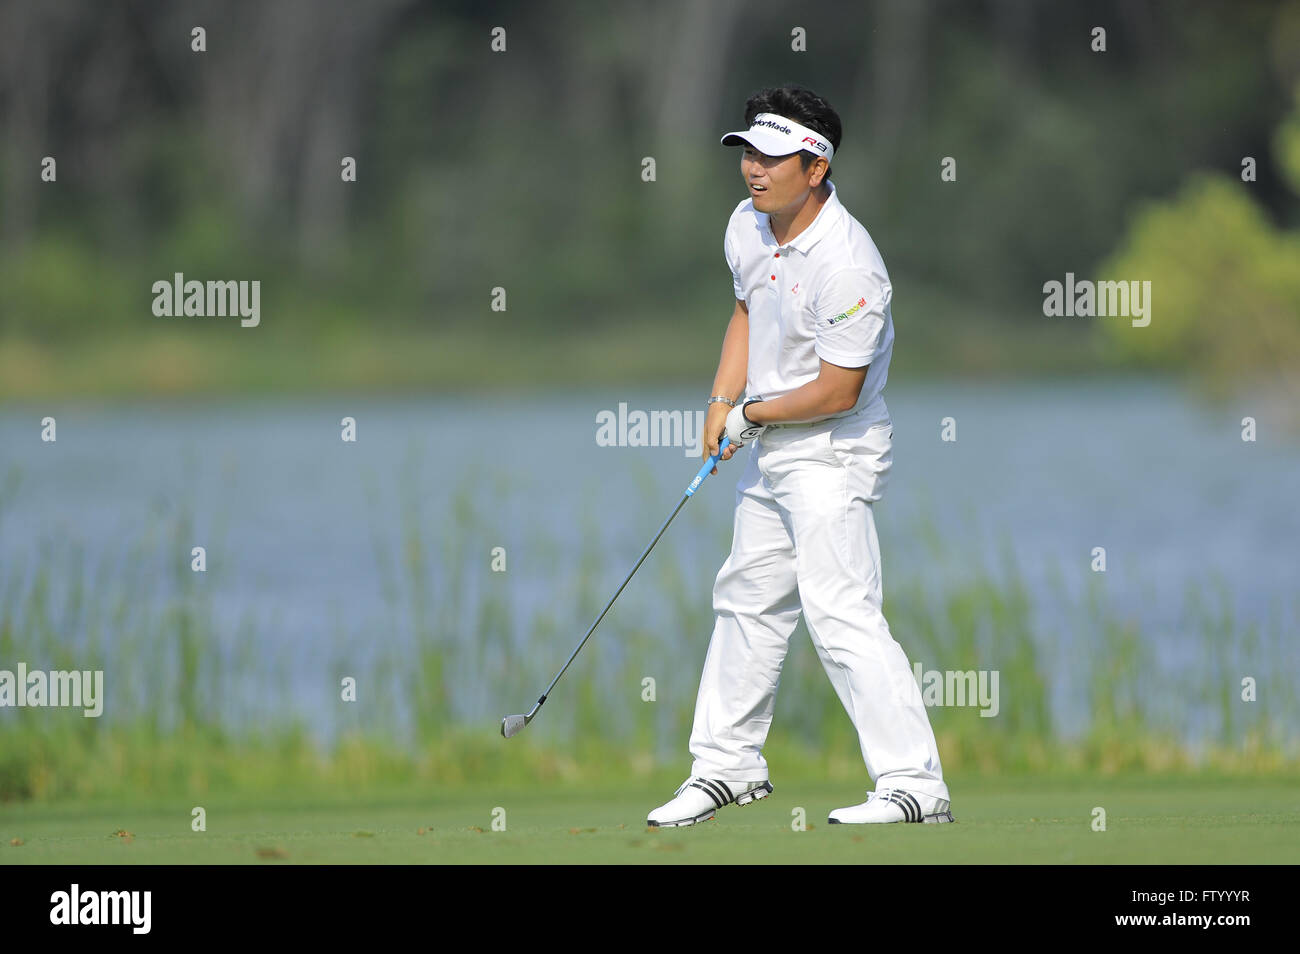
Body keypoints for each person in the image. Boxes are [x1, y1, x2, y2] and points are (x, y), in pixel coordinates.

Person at [647, 85, 954, 827]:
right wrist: (721, 403)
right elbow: (748, 310)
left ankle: (915, 785)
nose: (754, 169)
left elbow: (838, 392)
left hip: (832, 450)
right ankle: (726, 767)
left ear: (814, 169)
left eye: (772, 157)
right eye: (748, 152)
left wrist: (749, 412)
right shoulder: (746, 227)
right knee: (746, 601)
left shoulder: (850, 266)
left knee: (841, 610)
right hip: (774, 444)